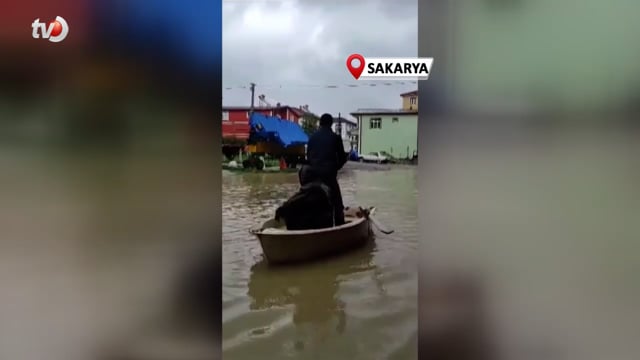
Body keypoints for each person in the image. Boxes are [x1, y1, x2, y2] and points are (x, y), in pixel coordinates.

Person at [306, 113, 348, 225]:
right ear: (331, 124)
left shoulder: (312, 138)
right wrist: (335, 168)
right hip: (329, 176)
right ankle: (339, 226)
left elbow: (308, 157)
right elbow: (343, 159)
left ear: (320, 123)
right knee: (337, 203)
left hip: (312, 176)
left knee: (312, 200)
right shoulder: (335, 138)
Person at [275, 165, 334, 230]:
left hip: (316, 227)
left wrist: (281, 210)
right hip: (327, 224)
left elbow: (292, 203)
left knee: (290, 212)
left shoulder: (311, 190)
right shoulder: (324, 187)